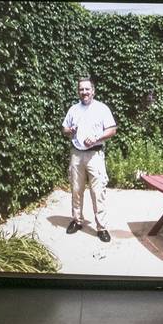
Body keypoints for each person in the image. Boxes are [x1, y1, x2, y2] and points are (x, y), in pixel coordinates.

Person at [61, 78, 117, 243]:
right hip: (76, 154)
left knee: (98, 192)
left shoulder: (102, 109)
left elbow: (112, 130)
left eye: (87, 89)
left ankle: (101, 227)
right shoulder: (73, 109)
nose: (84, 92)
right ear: (78, 91)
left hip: (95, 155)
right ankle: (77, 221)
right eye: (81, 89)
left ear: (93, 91)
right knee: (76, 189)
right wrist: (69, 130)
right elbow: (64, 128)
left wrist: (96, 137)